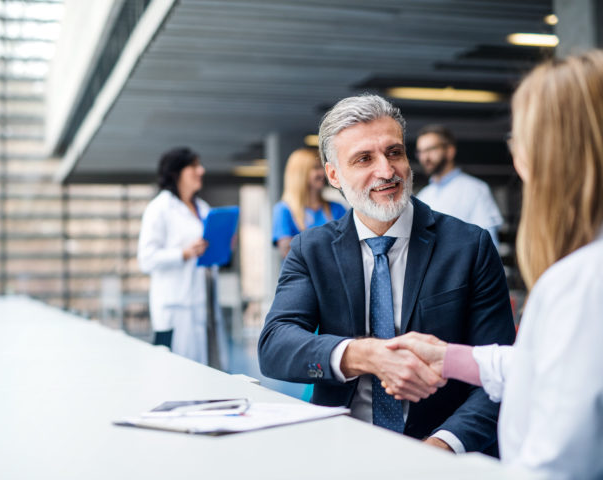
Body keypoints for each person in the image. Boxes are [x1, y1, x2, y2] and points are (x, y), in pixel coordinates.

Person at [258, 94, 515, 454]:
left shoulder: (469, 247)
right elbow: (275, 346)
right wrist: (363, 355)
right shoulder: (311, 250)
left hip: (442, 449)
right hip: (341, 447)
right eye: (364, 158)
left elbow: (499, 373)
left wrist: (442, 446)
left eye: (394, 152)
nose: (386, 170)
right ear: (333, 174)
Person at [387, 51, 603, 479]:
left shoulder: (581, 283)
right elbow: (558, 368)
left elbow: (553, 466)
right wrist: (450, 358)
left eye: (518, 138)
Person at [137, 147, 226, 367]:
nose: (201, 171)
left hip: (204, 303)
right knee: (176, 371)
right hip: (176, 307)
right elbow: (146, 259)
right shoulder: (159, 208)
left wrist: (222, 245)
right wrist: (183, 253)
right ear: (176, 172)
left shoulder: (203, 208)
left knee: (208, 370)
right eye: (194, 166)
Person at [415, 125, 503, 247]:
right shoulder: (423, 196)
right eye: (421, 152)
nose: (425, 157)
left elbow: (489, 244)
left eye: (431, 149)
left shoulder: (476, 190)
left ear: (450, 151)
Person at [272, 147, 347, 258]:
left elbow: (348, 245)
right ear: (301, 174)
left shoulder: (337, 208)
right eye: (316, 168)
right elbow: (288, 253)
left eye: (322, 167)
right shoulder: (283, 210)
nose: (322, 173)